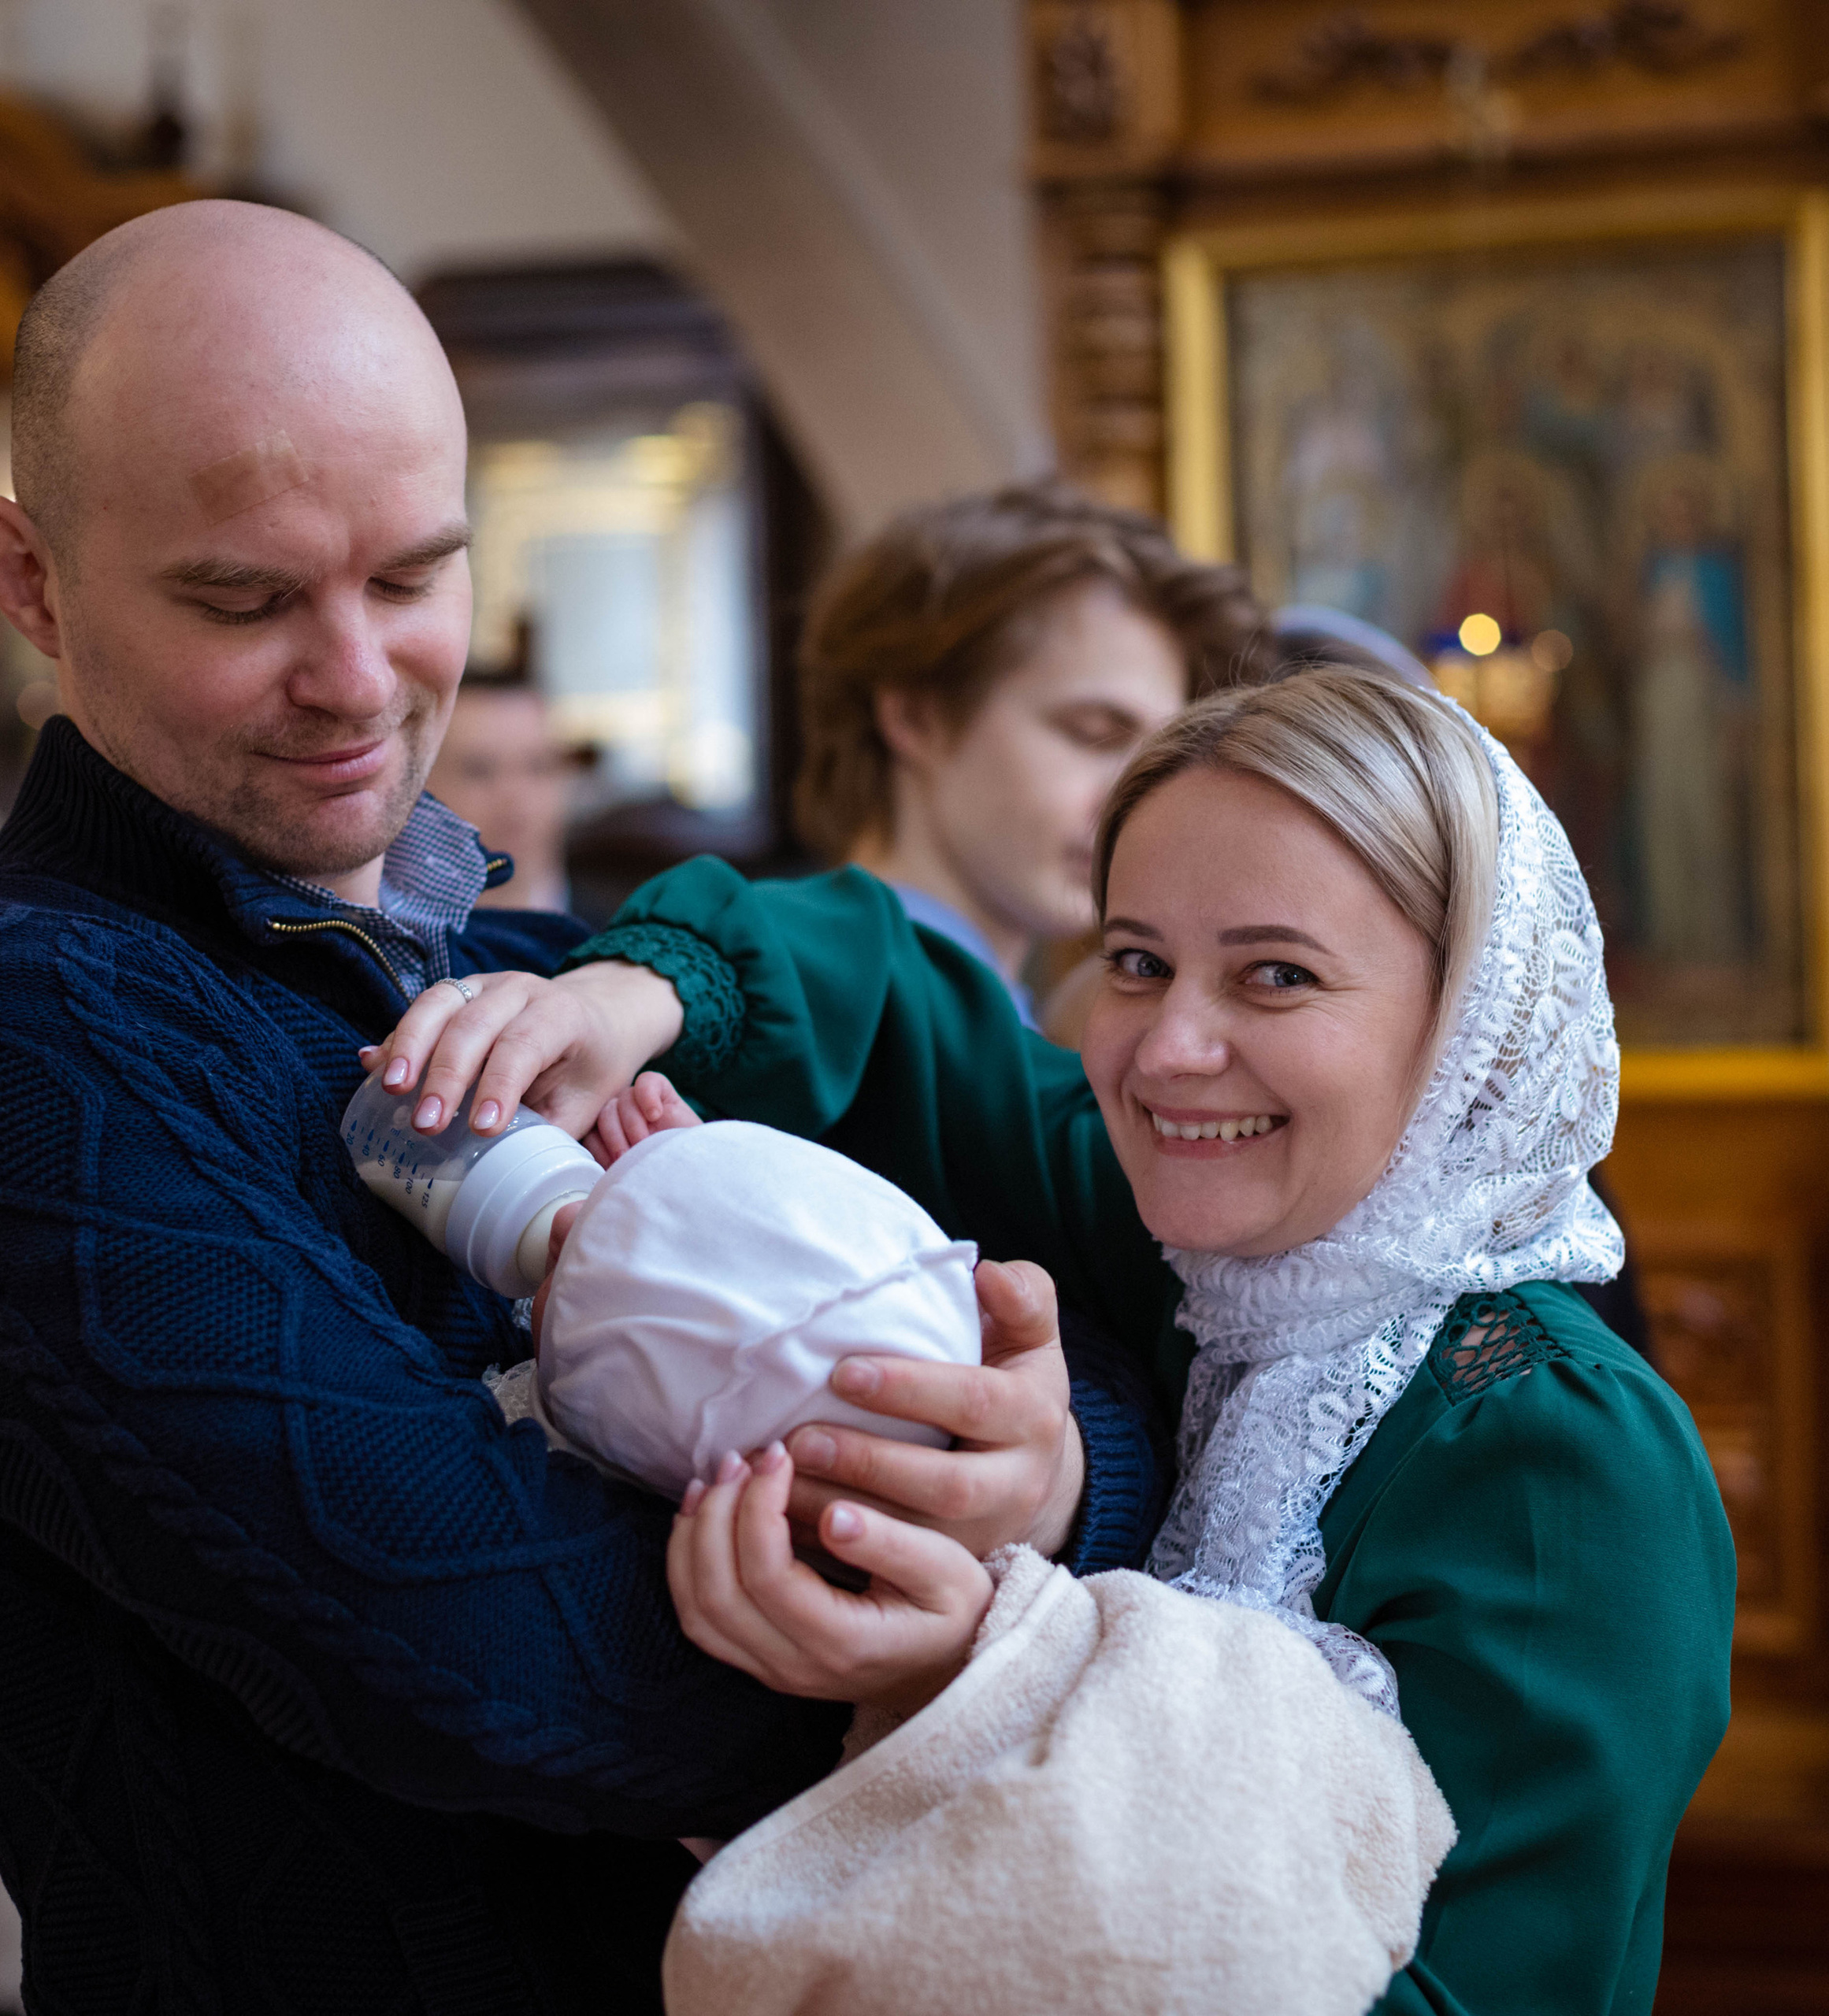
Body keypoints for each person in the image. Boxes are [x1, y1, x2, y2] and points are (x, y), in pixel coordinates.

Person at [0, 200, 1160, 2014]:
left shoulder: (556, 964)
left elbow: (1089, 1327)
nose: (359, 680)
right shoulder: (45, 1023)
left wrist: (1051, 1459)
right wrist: (973, 1611)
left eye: (411, 576)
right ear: (34, 582)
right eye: (243, 596)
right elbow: (477, 1642)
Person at [383, 664, 1736, 2013]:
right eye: (1137, 963)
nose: (1168, 1051)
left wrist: (971, 1672)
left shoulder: (1560, 1453)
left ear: (1470, 1033)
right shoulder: (1180, 1237)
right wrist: (625, 998)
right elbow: (898, 985)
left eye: (1277, 975)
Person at [795, 480, 1265, 1027]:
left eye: (1161, 753)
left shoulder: (993, 1017)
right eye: (1093, 732)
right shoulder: (812, 999)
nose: (1137, 800)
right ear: (917, 718)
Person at [426, 659, 579, 912]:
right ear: (421, 787)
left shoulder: (624, 936)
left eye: (538, 767)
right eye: (479, 771)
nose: (514, 796)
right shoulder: (374, 941)